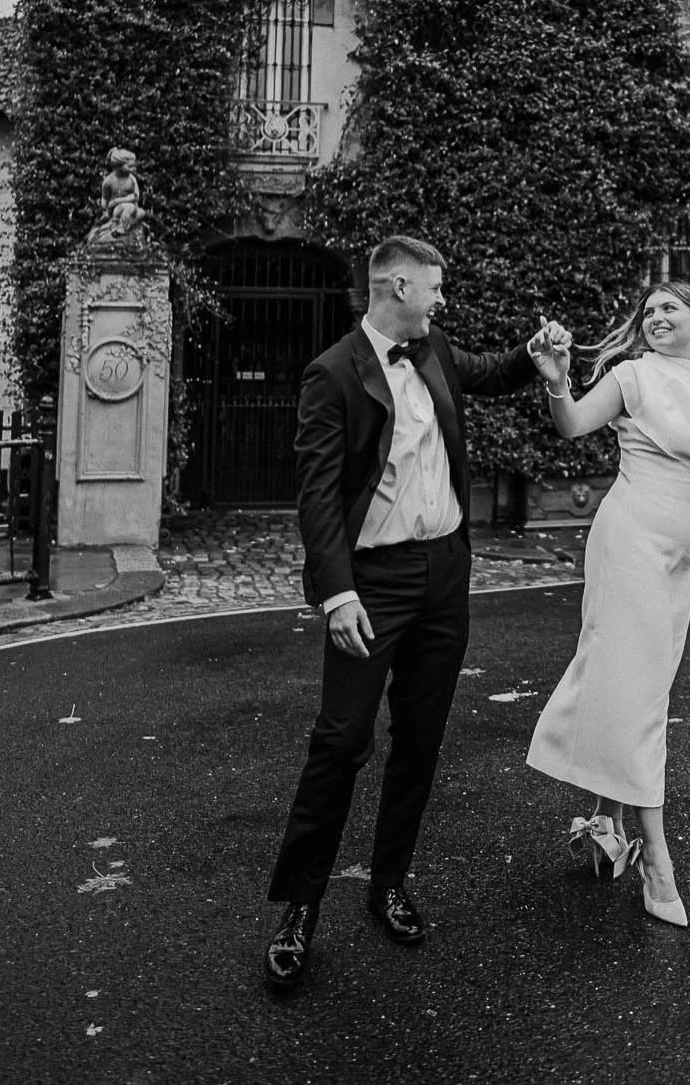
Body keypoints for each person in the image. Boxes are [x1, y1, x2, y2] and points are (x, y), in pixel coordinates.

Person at [263, 234, 564, 995]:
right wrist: (336, 592)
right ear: (395, 286)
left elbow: (490, 375)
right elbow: (319, 493)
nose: (441, 300)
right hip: (372, 581)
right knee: (341, 742)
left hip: (443, 577)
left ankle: (388, 881)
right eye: (433, 288)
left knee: (421, 739)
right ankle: (300, 906)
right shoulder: (332, 373)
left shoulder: (435, 352)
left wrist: (533, 352)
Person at [525, 280, 690, 927]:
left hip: (678, 555)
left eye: (671, 306)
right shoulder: (633, 374)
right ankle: (658, 863)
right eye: (649, 310)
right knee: (641, 694)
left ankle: (609, 824)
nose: (657, 316)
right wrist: (558, 381)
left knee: (641, 685)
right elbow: (574, 423)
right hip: (629, 538)